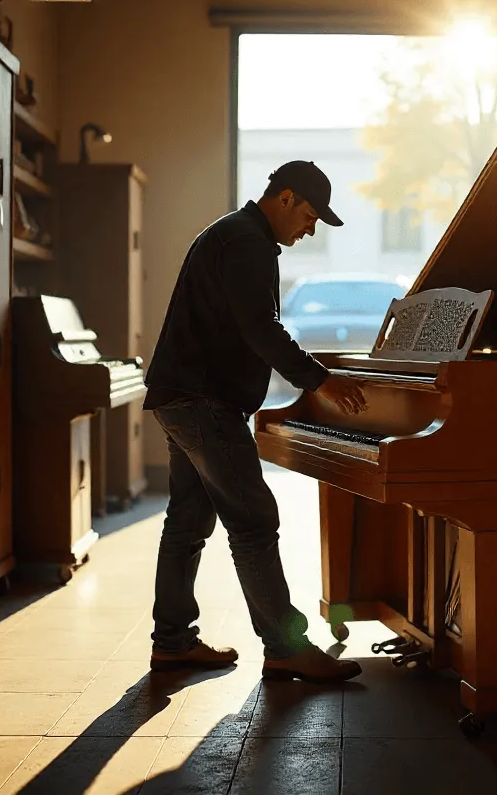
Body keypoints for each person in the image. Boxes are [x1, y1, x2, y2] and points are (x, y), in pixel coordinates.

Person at [141, 160, 369, 682]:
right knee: (254, 522)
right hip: (205, 401)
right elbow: (260, 330)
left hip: (181, 396)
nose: (309, 229)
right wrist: (321, 380)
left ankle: (173, 643)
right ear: (284, 199)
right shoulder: (247, 242)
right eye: (310, 216)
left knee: (187, 524)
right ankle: (286, 646)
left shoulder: (232, 234)